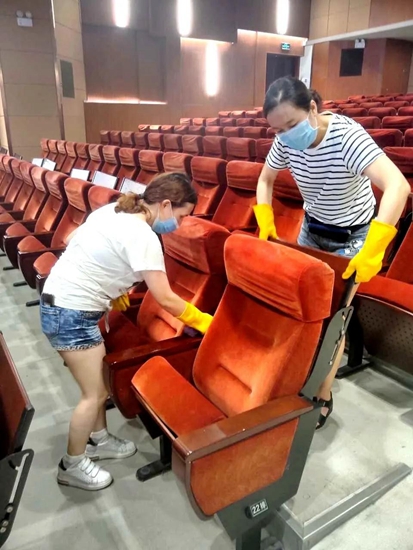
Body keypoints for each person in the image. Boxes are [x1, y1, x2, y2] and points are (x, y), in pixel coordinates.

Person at [254, 76, 410, 428]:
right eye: (277, 130)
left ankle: (321, 395)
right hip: (312, 230)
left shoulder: (346, 137)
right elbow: (265, 179)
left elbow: (398, 186)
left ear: (312, 108)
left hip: (352, 237)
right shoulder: (285, 141)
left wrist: (374, 248)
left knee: (332, 320)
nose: (285, 136)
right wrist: (265, 218)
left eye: (291, 125)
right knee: (303, 310)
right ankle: (297, 375)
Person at [40, 173, 212, 490]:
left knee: (98, 385)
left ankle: (99, 439)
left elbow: (78, 243)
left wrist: (110, 287)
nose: (179, 224)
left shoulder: (114, 210)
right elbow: (165, 298)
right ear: (165, 204)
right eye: (181, 215)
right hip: (71, 315)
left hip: (61, 302)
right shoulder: (144, 236)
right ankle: (71, 465)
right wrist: (204, 321)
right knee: (94, 395)